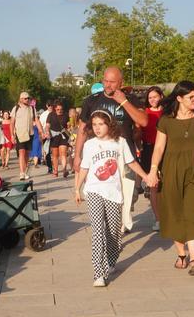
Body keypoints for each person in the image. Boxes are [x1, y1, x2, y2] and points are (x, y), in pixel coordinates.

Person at [146, 81, 194, 276]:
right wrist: (153, 170)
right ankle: (182, 254)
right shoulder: (166, 120)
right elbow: (159, 148)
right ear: (179, 98)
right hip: (173, 169)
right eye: (191, 97)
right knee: (176, 212)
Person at [74, 110, 150, 287]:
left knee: (114, 233)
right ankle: (98, 273)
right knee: (98, 231)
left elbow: (131, 162)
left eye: (101, 124)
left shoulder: (120, 142)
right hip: (93, 191)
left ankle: (111, 260)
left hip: (114, 192)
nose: (97, 128)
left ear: (109, 124)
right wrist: (77, 188)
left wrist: (145, 176)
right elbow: (84, 168)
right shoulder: (89, 144)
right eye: (94, 125)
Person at [74, 67, 148, 175]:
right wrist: (77, 156)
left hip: (125, 159)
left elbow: (144, 121)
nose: (108, 85)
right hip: (98, 159)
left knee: (126, 192)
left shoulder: (131, 99)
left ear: (121, 83)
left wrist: (124, 102)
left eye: (112, 82)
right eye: (105, 81)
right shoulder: (91, 100)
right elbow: (82, 130)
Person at [140, 86, 164, 231]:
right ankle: (158, 218)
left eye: (155, 96)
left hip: (166, 150)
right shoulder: (144, 113)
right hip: (149, 150)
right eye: (150, 97)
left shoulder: (168, 113)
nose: (152, 100)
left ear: (161, 96)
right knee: (154, 185)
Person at [10, 92, 44, 180]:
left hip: (30, 133)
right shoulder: (16, 108)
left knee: (27, 154)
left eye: (28, 98)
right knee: (21, 152)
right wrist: (12, 135)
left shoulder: (32, 108)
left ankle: (24, 171)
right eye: (25, 98)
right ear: (20, 99)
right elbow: (12, 122)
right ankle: (21, 172)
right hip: (20, 134)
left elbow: (36, 120)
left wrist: (41, 131)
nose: (27, 100)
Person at [47, 102, 70, 178]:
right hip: (54, 136)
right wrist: (47, 132)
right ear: (55, 109)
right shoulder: (51, 115)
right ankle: (55, 171)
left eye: (61, 109)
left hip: (63, 136)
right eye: (58, 109)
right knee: (55, 155)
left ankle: (64, 170)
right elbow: (47, 125)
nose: (60, 111)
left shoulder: (66, 115)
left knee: (63, 153)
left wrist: (69, 127)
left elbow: (68, 125)